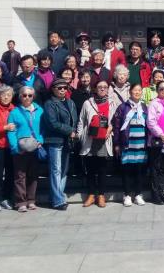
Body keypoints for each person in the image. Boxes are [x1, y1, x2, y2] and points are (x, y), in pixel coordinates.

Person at [42, 78, 78, 210]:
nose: (63, 90)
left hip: (68, 141)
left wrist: (74, 131)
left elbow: (75, 120)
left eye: (65, 88)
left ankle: (56, 196)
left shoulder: (70, 102)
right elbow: (52, 123)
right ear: (53, 89)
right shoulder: (49, 104)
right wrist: (70, 131)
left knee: (63, 170)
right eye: (59, 88)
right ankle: (58, 200)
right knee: (56, 170)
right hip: (55, 140)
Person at [7, 86, 44, 212]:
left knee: (33, 175)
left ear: (33, 97)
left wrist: (41, 141)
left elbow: (43, 128)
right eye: (24, 95)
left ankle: (31, 200)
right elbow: (11, 132)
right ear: (20, 97)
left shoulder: (40, 110)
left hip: (35, 147)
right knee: (20, 176)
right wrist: (15, 147)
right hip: (20, 149)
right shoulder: (14, 112)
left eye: (30, 95)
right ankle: (21, 202)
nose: (27, 97)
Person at [77, 80, 113, 208]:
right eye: (100, 87)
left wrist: (111, 128)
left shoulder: (112, 102)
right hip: (90, 140)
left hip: (104, 140)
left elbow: (115, 120)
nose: (102, 89)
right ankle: (91, 195)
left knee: (102, 169)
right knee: (91, 169)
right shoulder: (88, 103)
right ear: (95, 89)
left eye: (105, 87)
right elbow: (81, 120)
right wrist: (80, 136)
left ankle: (101, 195)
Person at [113, 83, 149, 207]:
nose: (137, 92)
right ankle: (127, 195)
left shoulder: (144, 107)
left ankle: (138, 194)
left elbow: (148, 124)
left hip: (141, 144)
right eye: (135, 90)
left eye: (139, 90)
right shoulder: (123, 107)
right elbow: (117, 126)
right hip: (127, 144)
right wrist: (116, 143)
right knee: (127, 170)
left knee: (139, 170)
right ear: (130, 92)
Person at [146, 81, 164, 205]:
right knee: (155, 168)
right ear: (157, 90)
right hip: (157, 140)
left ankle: (161, 193)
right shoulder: (154, 104)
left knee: (163, 168)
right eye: (161, 88)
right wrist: (160, 133)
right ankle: (155, 194)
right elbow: (150, 121)